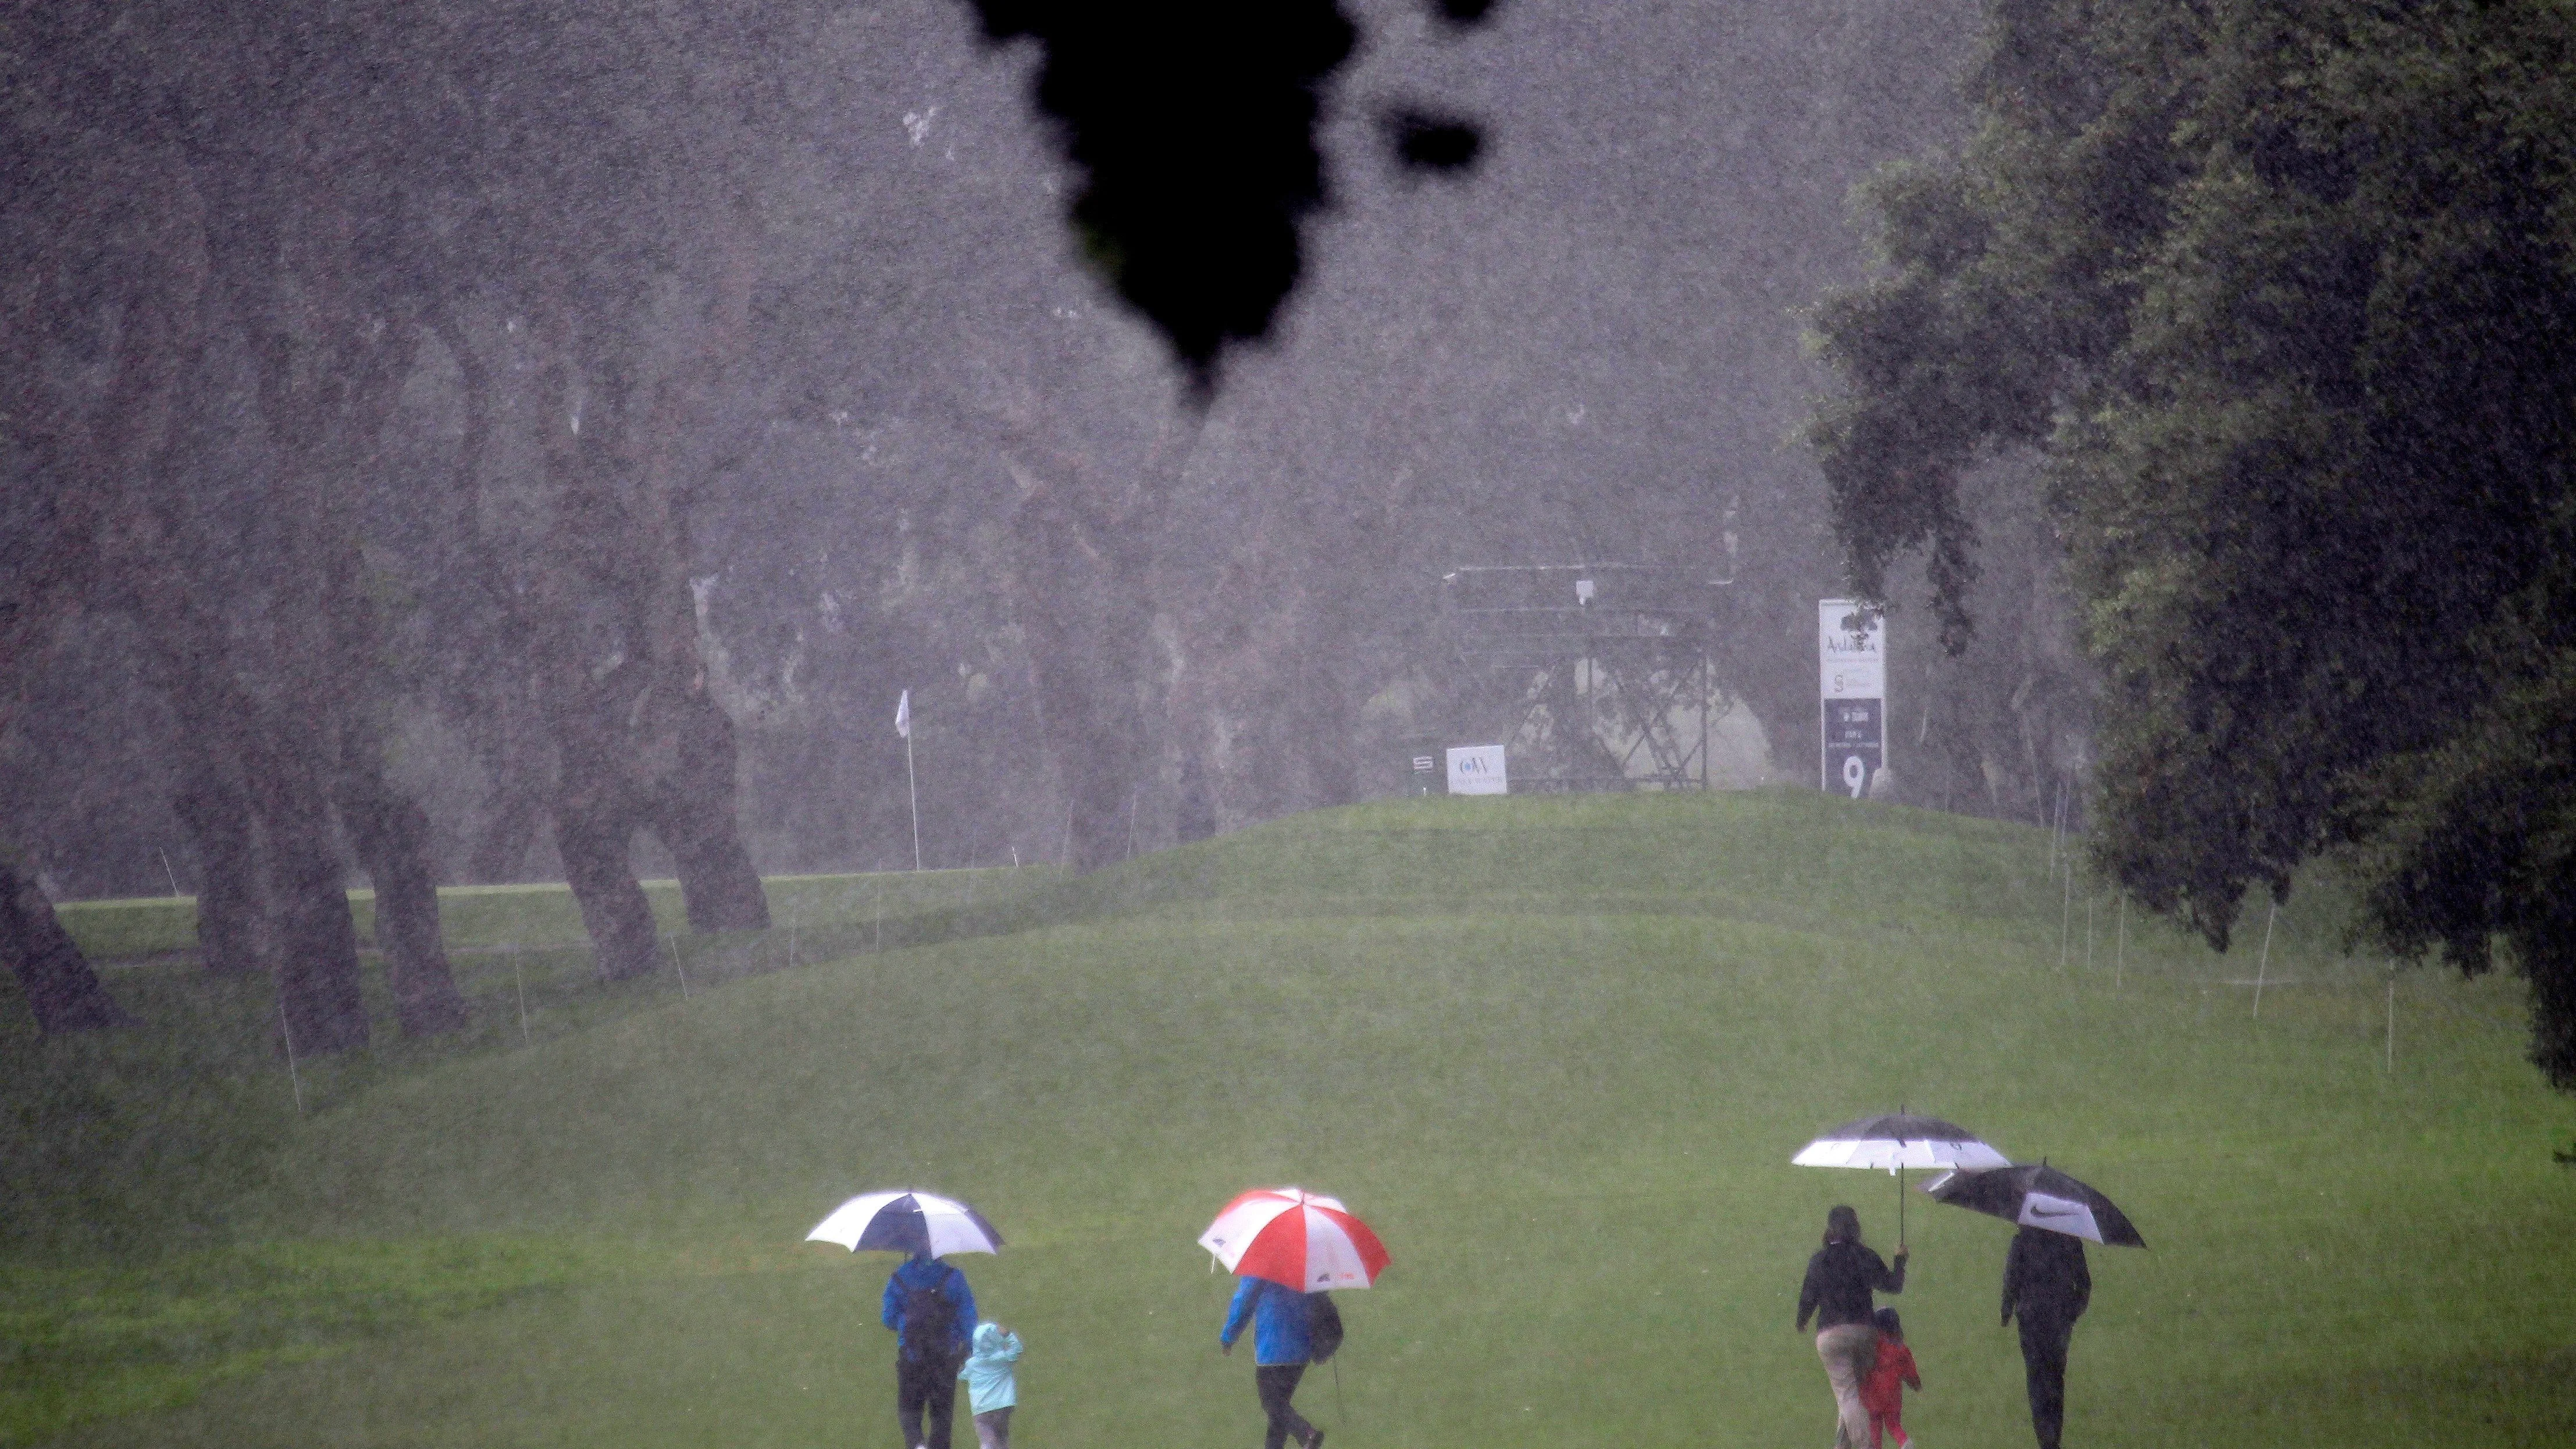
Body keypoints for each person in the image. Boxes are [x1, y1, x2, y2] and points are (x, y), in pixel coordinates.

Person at [1796, 1205, 1908, 1449]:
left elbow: (1808, 1297)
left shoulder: (1820, 1260)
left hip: (1831, 1336)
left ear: (1830, 1230)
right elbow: (1894, 1286)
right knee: (1853, 1394)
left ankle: (1864, 1445)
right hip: (1865, 1332)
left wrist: (1802, 1321)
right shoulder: (1865, 1256)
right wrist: (1900, 1260)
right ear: (1856, 1228)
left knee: (1847, 1395)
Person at [2001, 1226, 2090, 1449]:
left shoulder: (2022, 1241)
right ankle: (2054, 1437)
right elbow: (2084, 1283)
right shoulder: (2070, 1241)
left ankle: (2045, 1438)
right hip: (2059, 1319)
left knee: (2036, 1378)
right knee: (2055, 1377)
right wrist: (2073, 1310)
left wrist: (2007, 1308)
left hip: (2031, 1320)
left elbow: (2012, 1277)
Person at [883, 1249, 979, 1449]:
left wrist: (907, 1322)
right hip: (945, 1358)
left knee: (909, 1412)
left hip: (911, 1357)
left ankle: (918, 1445)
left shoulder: (900, 1277)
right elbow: (968, 1318)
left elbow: (888, 1317)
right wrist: (969, 1348)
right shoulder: (954, 1277)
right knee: (942, 1419)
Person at [1219, 1274, 1326, 1449]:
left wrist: (1229, 1336)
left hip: (1273, 1347)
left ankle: (1307, 1434)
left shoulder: (1263, 1264)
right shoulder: (1305, 1262)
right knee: (1279, 1413)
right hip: (1301, 1349)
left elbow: (1245, 1298)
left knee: (1272, 1403)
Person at [1859, 1306, 1922, 1449]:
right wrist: (1916, 1385)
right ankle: (1905, 1443)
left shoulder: (1871, 1347)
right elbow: (1911, 1375)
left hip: (1872, 1393)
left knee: (1874, 1427)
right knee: (1894, 1425)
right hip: (1893, 1395)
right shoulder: (1901, 1349)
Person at [958, 1319, 1022, 1449]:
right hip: (1003, 1406)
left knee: (987, 1440)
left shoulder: (972, 1364)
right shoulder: (1003, 1359)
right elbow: (1017, 1349)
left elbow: (961, 1376)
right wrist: (1007, 1335)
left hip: (981, 1409)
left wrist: (961, 1359)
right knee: (1002, 1439)